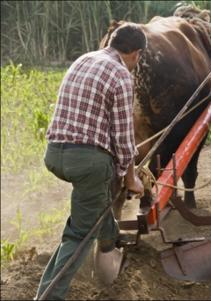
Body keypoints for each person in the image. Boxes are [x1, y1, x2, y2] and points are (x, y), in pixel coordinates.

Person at [35, 23, 146, 300]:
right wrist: (130, 177)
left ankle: (110, 238)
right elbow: (123, 137)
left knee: (95, 200)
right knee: (78, 236)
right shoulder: (121, 75)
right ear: (136, 53)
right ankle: (48, 296)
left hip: (55, 153)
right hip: (86, 162)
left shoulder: (84, 58)